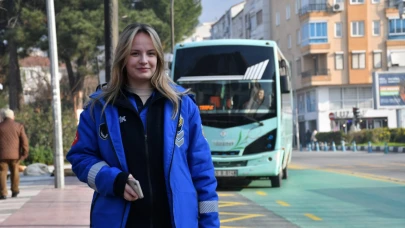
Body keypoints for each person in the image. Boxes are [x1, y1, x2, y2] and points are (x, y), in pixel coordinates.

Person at [66, 23, 219, 228]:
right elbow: (80, 158)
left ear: (159, 58)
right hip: (118, 221)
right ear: (123, 58)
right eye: (135, 53)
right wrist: (114, 181)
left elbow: (203, 172)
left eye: (151, 53)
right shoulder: (98, 108)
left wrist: (209, 225)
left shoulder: (183, 106)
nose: (144, 61)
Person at [0, 108, 29, 200]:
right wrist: (24, 153)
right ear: (12, 116)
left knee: (2, 173)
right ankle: (15, 190)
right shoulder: (18, 126)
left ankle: (3, 193)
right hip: (15, 155)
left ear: (3, 117)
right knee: (15, 172)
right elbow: (24, 141)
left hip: (2, 155)